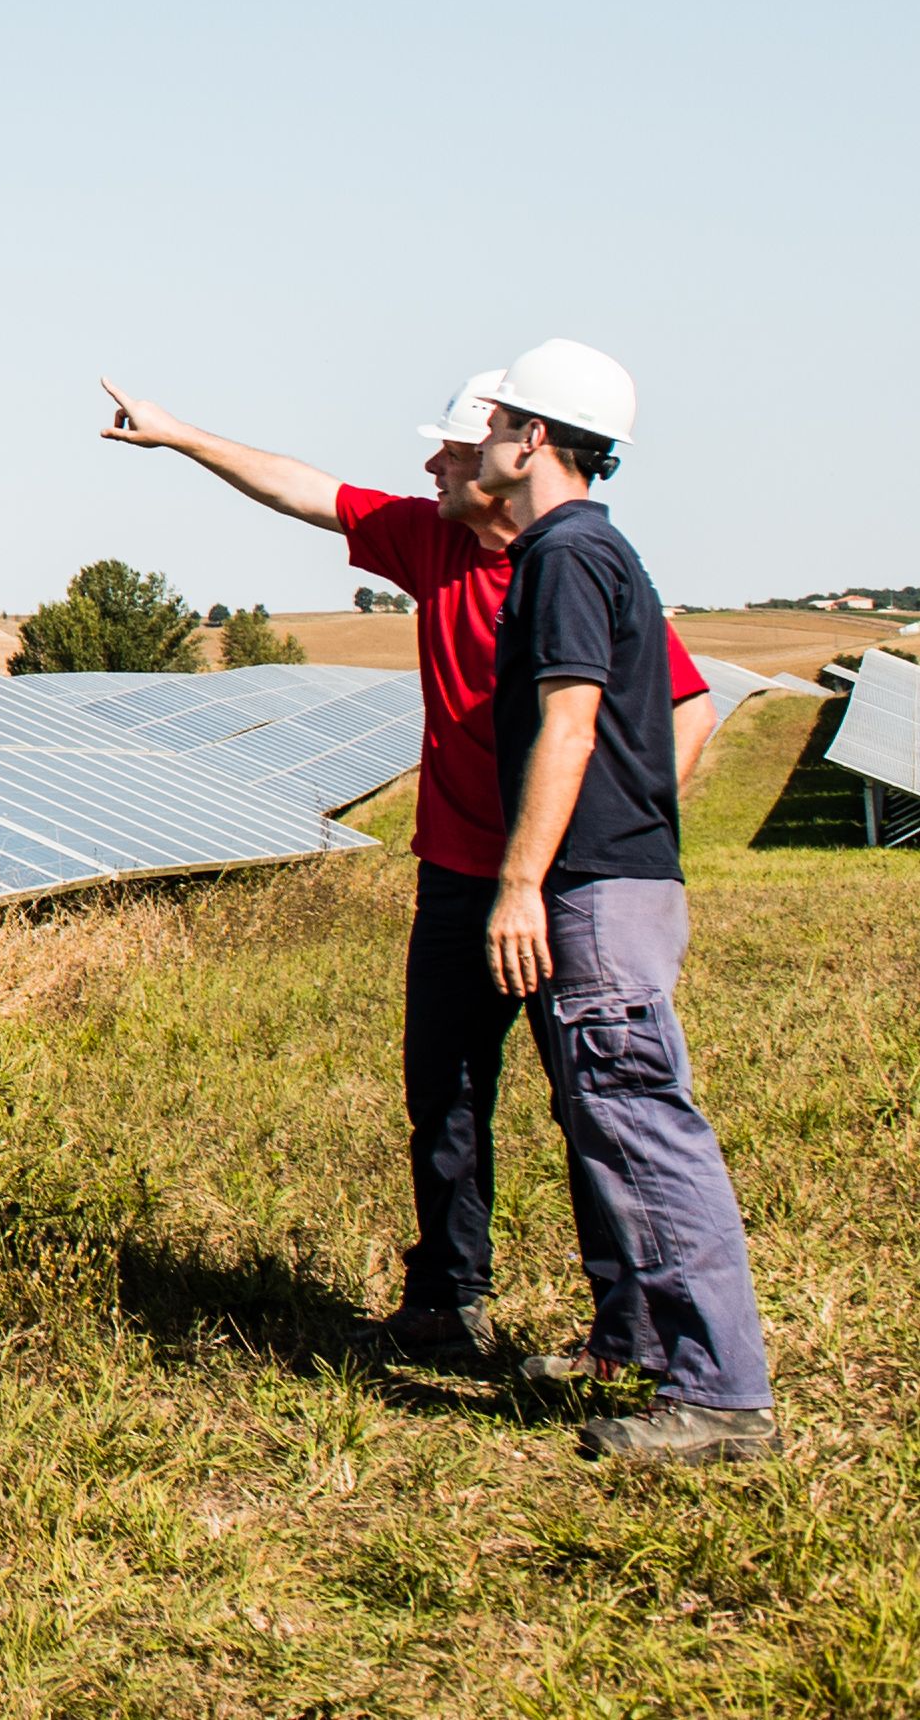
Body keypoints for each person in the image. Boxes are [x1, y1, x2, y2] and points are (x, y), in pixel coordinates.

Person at [90, 367, 711, 1378]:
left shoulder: (570, 572)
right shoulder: (434, 542)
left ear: (509, 463)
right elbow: (303, 487)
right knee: (448, 1091)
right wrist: (177, 434)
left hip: (557, 886)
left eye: (452, 454)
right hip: (460, 878)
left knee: (590, 1101)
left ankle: (625, 1325)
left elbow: (690, 707)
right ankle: (446, 1301)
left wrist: (619, 834)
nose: (431, 468)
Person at [475, 340, 775, 1463]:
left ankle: (721, 1396)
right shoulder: (603, 550)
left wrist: (519, 886)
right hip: (627, 876)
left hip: (595, 889)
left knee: (644, 1125)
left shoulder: (562, 557)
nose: (486, 433)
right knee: (613, 1119)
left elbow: (570, 720)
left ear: (535, 437)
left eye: (500, 416)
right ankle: (644, 1345)